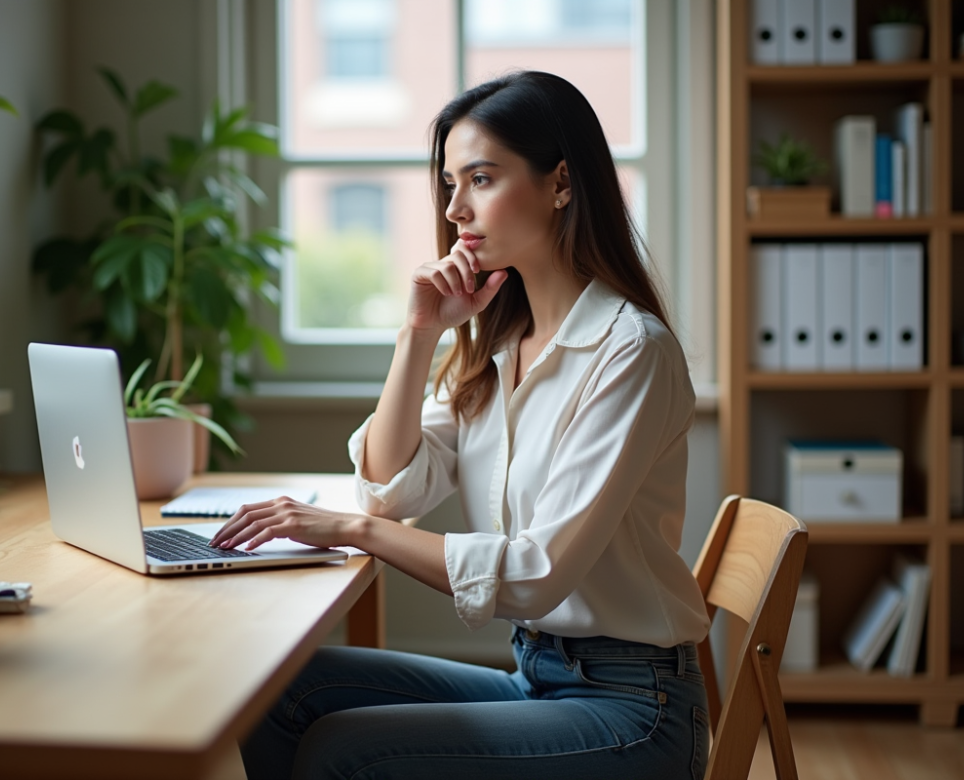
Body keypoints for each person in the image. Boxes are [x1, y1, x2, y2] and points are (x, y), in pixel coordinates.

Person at [210, 71, 712, 780]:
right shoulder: (502, 345)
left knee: (342, 752)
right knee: (279, 689)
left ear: (561, 183)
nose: (455, 210)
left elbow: (536, 575)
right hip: (537, 677)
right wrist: (417, 335)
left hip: (637, 712)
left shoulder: (631, 352)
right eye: (449, 184)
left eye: (480, 179)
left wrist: (352, 533)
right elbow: (388, 491)